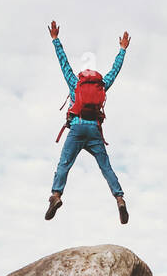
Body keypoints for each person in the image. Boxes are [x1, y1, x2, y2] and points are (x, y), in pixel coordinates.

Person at [45, 21, 130, 223]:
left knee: (64, 164)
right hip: (94, 131)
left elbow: (63, 62)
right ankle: (119, 199)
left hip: (76, 128)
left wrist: (56, 39)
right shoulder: (102, 85)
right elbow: (114, 71)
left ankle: (56, 196)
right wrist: (122, 50)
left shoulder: (74, 83)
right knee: (106, 167)